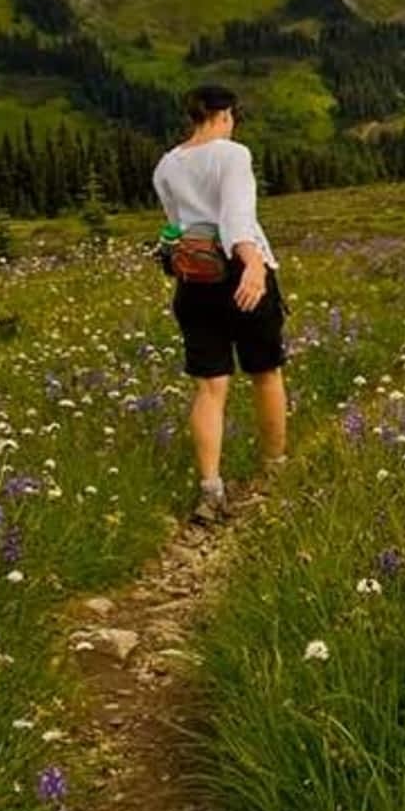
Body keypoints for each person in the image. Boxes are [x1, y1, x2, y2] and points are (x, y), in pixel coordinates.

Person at [152, 84, 288, 524]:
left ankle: (211, 488)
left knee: (210, 387)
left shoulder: (167, 165)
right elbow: (235, 219)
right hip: (236, 272)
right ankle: (273, 472)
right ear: (225, 115)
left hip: (194, 280)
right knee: (265, 372)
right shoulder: (233, 155)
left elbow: (175, 229)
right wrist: (252, 266)